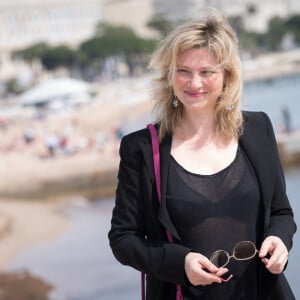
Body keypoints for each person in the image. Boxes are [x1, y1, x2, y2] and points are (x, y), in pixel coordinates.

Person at [108, 8, 297, 300]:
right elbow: (122, 238)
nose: (194, 83)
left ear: (226, 76)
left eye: (206, 72)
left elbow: (282, 213)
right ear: (170, 77)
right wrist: (179, 263)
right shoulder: (141, 148)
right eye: (183, 71)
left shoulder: (258, 128)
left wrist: (281, 241)